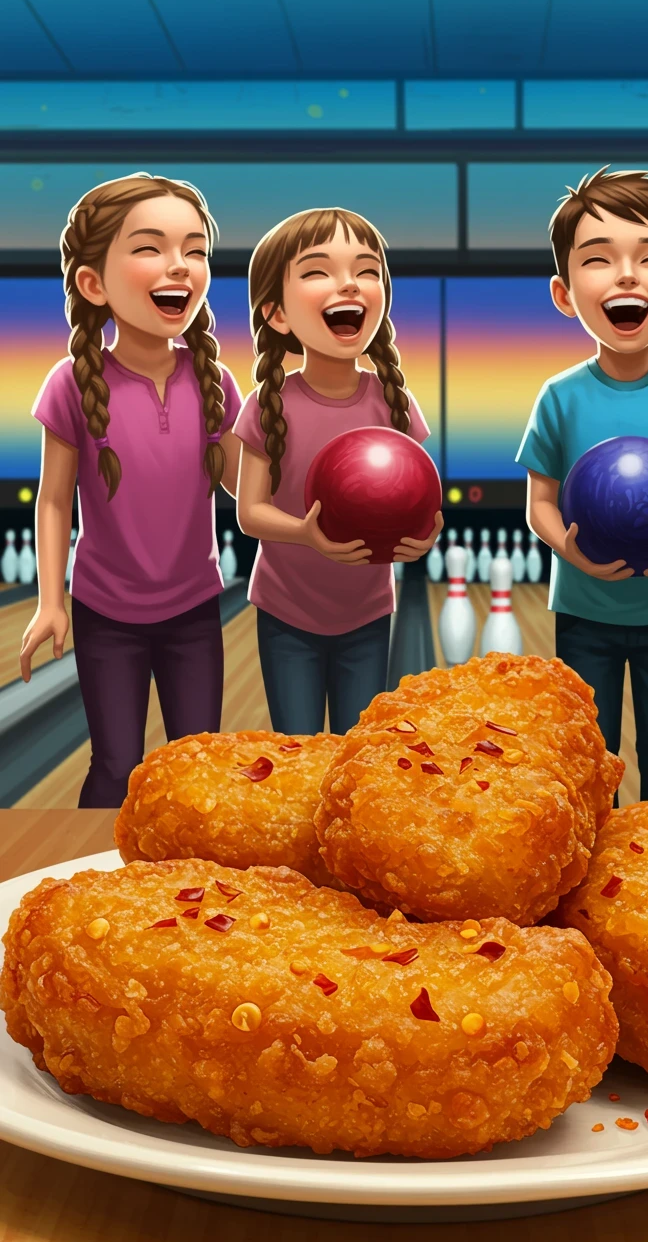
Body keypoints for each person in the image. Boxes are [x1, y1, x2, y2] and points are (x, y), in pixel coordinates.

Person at [20, 173, 243, 808]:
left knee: (197, 773)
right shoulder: (70, 383)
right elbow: (55, 501)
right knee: (115, 766)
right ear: (94, 283)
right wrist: (50, 601)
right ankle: (93, 884)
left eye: (195, 250)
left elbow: (236, 483)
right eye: (150, 248)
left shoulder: (215, 382)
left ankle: (198, 898)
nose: (179, 265)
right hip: (105, 612)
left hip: (193, 609)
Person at [517, 167, 648, 802]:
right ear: (564, 292)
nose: (627, 276)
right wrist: (571, 551)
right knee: (588, 765)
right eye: (599, 260)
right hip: (583, 611)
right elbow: (540, 503)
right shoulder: (559, 396)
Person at [234, 207, 442, 736]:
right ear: (277, 314)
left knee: (356, 753)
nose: (348, 283)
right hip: (285, 610)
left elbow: (421, 502)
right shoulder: (267, 404)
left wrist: (425, 536)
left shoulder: (393, 403)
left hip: (367, 611)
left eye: (366, 270)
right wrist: (306, 534)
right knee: (298, 750)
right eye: (318, 270)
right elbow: (249, 512)